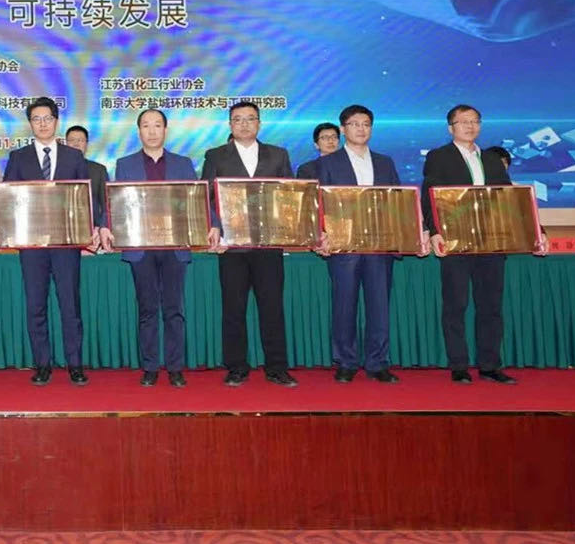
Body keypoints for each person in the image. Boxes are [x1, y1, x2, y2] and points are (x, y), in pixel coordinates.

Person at [422, 104, 544, 385]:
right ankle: (459, 365)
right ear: (451, 128)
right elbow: (429, 195)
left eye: (475, 121)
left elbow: (511, 199)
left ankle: (490, 365)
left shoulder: (491, 158)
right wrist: (434, 231)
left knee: (491, 306)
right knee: (456, 305)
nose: (470, 126)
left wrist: (538, 231)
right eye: (463, 121)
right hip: (455, 242)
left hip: (492, 241)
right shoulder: (439, 157)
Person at [0, 97, 111, 387]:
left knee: (70, 305)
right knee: (36, 306)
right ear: (30, 123)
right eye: (36, 119)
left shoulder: (73, 157)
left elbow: (86, 199)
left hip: (66, 244)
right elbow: (7, 199)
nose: (42, 124)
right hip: (32, 245)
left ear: (56, 121)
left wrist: (92, 228)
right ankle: (42, 365)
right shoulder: (18, 158)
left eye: (47, 118)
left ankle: (75, 364)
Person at [316, 104, 422, 384]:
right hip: (343, 246)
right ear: (343, 129)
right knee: (344, 305)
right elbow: (319, 205)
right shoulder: (327, 163)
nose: (361, 129)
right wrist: (321, 234)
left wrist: (407, 235)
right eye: (354, 124)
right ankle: (346, 361)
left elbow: (398, 202)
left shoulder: (385, 162)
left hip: (379, 245)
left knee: (379, 306)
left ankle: (377, 362)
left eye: (366, 124)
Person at [201, 100, 298, 387]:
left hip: (269, 243)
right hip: (232, 246)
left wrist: (288, 230)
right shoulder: (216, 155)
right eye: (238, 119)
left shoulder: (278, 154)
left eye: (250, 118)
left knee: (272, 307)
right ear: (230, 124)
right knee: (233, 308)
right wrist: (216, 228)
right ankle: (236, 367)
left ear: (259, 123)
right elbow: (206, 196)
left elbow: (290, 196)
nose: (244, 124)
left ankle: (277, 367)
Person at [114, 108, 197, 387]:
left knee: (174, 309)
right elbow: (117, 203)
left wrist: (211, 225)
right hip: (141, 247)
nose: (152, 131)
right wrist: (106, 225)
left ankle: (175, 367)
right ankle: (150, 366)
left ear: (165, 130)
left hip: (175, 246)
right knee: (147, 309)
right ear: (139, 131)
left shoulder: (183, 164)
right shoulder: (125, 164)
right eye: (146, 126)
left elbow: (194, 202)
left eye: (157, 125)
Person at [64, 124, 110, 219]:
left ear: (87, 144)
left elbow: (106, 204)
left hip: (93, 224)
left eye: (80, 140)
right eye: (72, 140)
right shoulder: (56, 168)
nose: (76, 144)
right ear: (65, 143)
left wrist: (102, 225)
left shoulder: (99, 170)